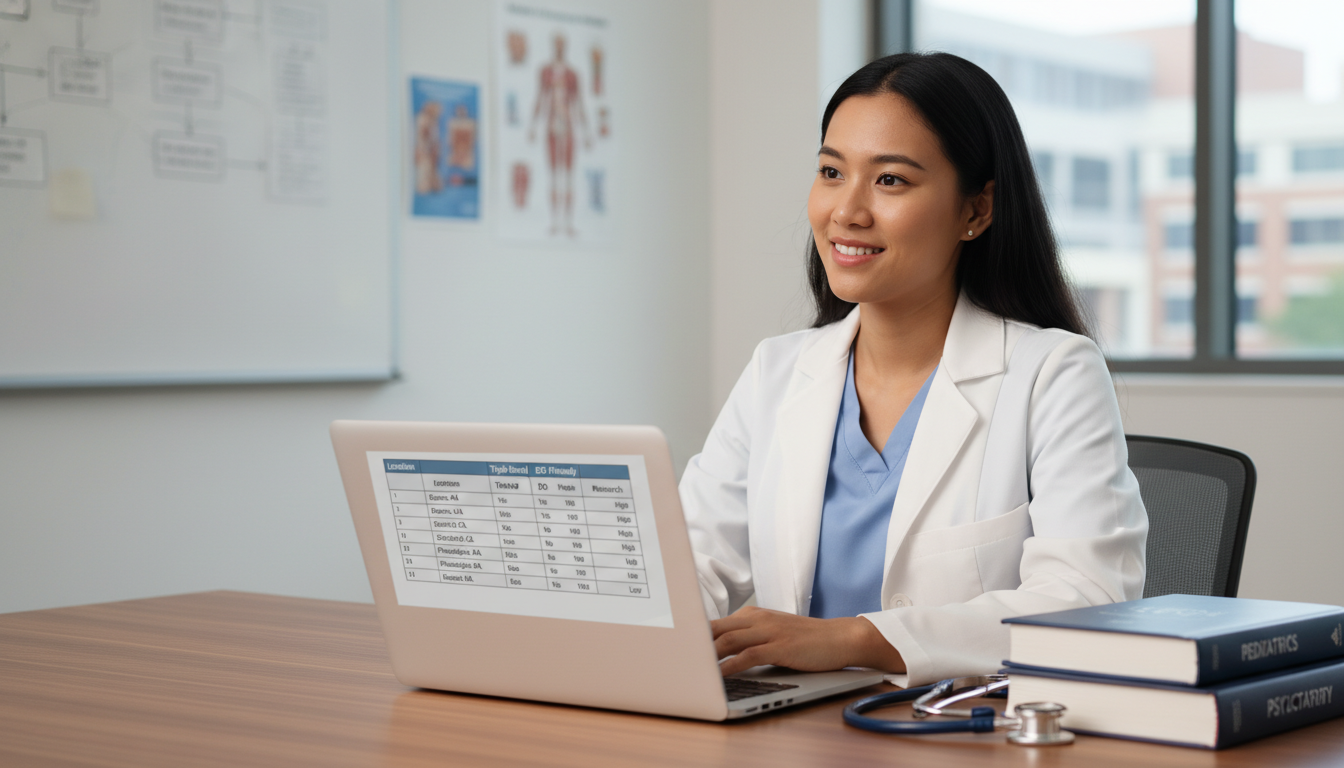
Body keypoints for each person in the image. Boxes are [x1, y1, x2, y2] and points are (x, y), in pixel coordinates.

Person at [679, 52, 1148, 688]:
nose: (847, 211)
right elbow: (692, 565)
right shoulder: (778, 370)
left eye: (891, 181)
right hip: (793, 731)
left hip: (961, 734)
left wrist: (852, 638)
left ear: (975, 211)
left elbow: (1089, 597)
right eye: (831, 171)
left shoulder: (1053, 373)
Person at [528, 33, 591, 236]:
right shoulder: (545, 72)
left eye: (562, 44)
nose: (559, 47)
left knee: (569, 176)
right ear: (552, 45)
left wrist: (587, 131)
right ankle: (555, 222)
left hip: (569, 127)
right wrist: (533, 126)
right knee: (554, 175)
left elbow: (578, 102)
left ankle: (569, 223)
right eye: (557, 44)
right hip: (552, 126)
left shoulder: (572, 74)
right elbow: (541, 98)